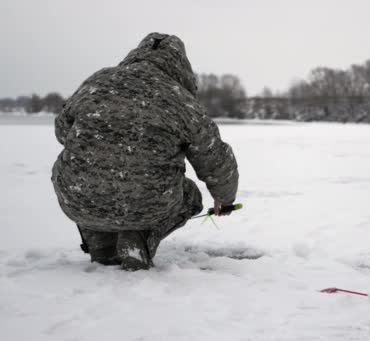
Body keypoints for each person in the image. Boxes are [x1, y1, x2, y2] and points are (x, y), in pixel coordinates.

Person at [51, 33, 239, 271]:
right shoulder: (180, 100)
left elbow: (62, 132)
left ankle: (101, 243)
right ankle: (141, 237)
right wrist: (225, 199)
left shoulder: (97, 82)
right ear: (181, 66)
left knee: (79, 175)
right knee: (190, 196)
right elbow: (215, 158)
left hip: (78, 198)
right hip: (149, 203)